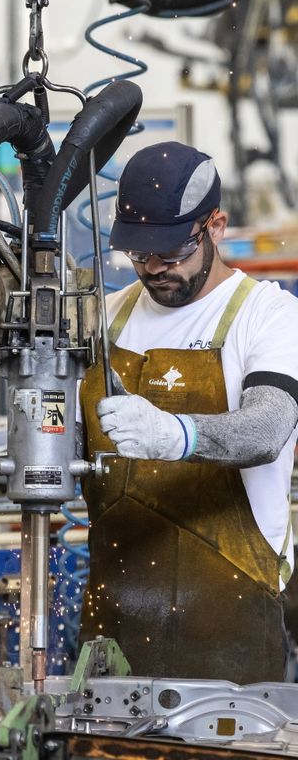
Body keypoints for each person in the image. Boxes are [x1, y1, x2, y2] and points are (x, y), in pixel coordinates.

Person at [78, 140, 298, 683]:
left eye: (171, 253)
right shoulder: (107, 318)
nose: (154, 268)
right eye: (139, 255)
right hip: (115, 613)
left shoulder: (268, 315)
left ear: (215, 227)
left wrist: (175, 434)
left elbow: (267, 429)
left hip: (228, 613)